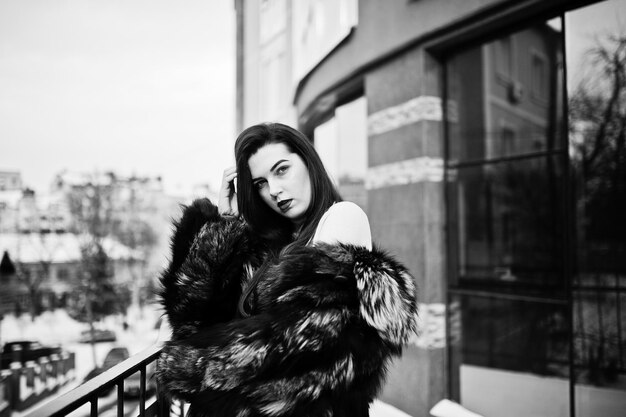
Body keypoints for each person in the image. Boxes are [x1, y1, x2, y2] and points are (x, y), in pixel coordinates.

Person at [156, 123, 418, 417]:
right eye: (260, 184)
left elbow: (298, 345)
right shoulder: (269, 245)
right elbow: (191, 323)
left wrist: (194, 367)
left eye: (281, 170)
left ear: (308, 162)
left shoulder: (342, 217)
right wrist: (224, 226)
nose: (274, 191)